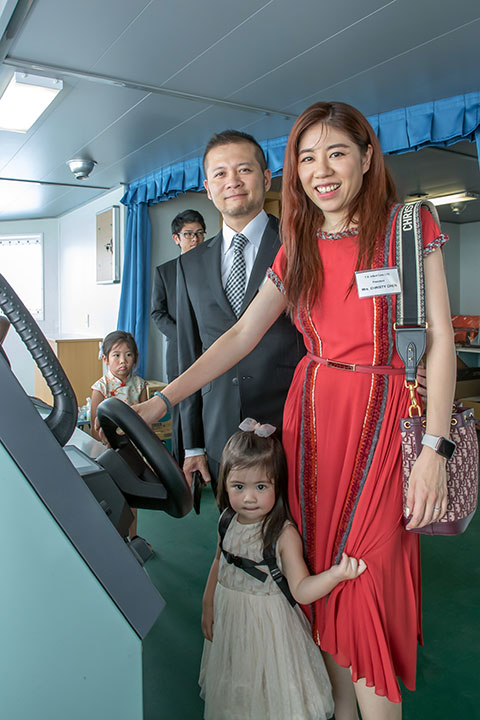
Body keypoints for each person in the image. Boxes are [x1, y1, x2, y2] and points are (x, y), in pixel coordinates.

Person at [135, 101, 455, 719]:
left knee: (366, 580)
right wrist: (165, 399)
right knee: (324, 582)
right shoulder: (299, 245)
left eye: (336, 153)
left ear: (366, 157)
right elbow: (238, 337)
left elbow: (438, 339)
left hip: (386, 420)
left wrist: (433, 450)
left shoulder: (409, 227)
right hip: (310, 424)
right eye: (306, 158)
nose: (321, 170)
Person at [199, 420, 366, 720]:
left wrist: (336, 575)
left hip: (271, 630)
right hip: (232, 621)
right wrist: (207, 602)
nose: (249, 498)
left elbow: (301, 589)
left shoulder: (282, 532)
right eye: (239, 487)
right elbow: (218, 561)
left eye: (260, 487)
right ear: (224, 483)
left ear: (278, 484)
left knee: (272, 695)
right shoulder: (227, 521)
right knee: (238, 689)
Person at [176, 130, 304, 488]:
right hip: (220, 431)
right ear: (208, 186)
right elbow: (189, 354)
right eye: (220, 173)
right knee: (230, 532)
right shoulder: (189, 264)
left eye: (243, 170)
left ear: (265, 178)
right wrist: (193, 443)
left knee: (293, 536)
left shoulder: (299, 246)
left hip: (290, 424)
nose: (231, 181)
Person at [151, 209, 206, 462]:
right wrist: (184, 337)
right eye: (188, 234)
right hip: (178, 352)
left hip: (211, 350)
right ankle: (178, 467)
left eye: (199, 233)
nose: (194, 239)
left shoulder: (213, 266)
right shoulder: (165, 272)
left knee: (209, 408)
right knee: (181, 409)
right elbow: (157, 313)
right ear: (176, 239)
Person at [91, 330, 147, 537]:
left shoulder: (140, 384)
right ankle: (113, 540)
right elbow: (94, 425)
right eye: (116, 355)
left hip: (134, 450)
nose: (123, 361)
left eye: (129, 355)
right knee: (114, 495)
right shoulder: (101, 387)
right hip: (110, 452)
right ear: (105, 359)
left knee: (133, 496)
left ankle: (134, 537)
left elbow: (145, 421)